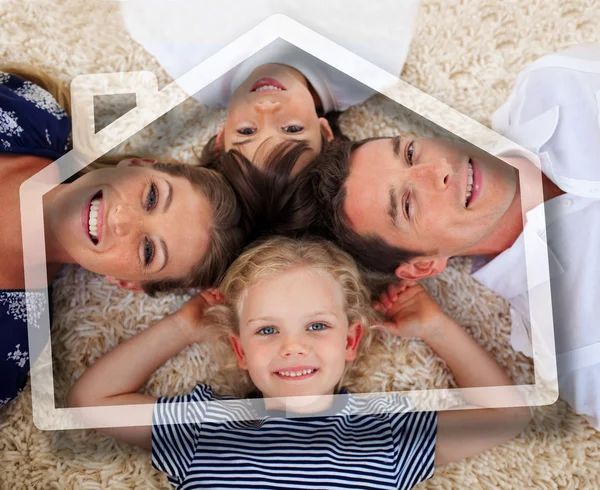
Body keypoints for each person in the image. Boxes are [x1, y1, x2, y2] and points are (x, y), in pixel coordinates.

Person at [68, 237, 530, 490]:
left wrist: (436, 329)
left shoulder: (386, 437)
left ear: (351, 340)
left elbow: (507, 416)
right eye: (268, 330)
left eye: (316, 327)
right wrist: (183, 326)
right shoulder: (206, 428)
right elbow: (92, 401)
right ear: (242, 351)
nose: (293, 347)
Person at [308, 44, 600, 429]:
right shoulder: (578, 349)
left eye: (410, 152)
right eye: (408, 205)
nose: (439, 170)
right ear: (424, 264)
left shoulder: (554, 84)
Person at [0, 66, 246, 409]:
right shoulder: (31, 115)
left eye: (148, 250)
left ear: (125, 281)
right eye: (151, 197)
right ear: (138, 163)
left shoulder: (8, 344)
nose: (123, 220)